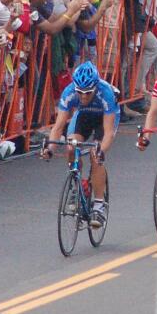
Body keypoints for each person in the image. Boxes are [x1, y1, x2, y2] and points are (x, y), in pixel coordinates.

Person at [40, 61, 119, 226]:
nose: (83, 96)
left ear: (95, 87)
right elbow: (58, 127)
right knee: (71, 146)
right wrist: (50, 149)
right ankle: (78, 186)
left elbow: (108, 133)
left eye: (88, 93)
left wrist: (101, 151)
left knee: (95, 156)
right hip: (84, 115)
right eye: (80, 92)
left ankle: (99, 205)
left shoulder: (106, 93)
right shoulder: (69, 92)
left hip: (104, 118)